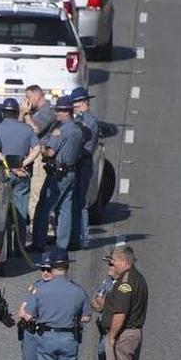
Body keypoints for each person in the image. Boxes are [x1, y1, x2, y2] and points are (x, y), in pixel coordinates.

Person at [97, 245, 149, 360]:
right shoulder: (138, 278)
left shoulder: (125, 283)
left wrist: (111, 336)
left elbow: (120, 313)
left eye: (113, 261)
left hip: (124, 335)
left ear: (123, 261)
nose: (112, 264)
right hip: (132, 333)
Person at [30, 96, 84, 252]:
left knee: (43, 207)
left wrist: (40, 148)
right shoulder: (77, 130)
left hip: (57, 174)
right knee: (65, 209)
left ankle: (38, 243)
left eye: (59, 110)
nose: (56, 114)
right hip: (71, 172)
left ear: (66, 112)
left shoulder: (60, 131)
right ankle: (62, 245)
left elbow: (50, 152)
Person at [0, 98, 41, 251]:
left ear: (2, 113)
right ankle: (19, 248)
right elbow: (37, 148)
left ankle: (6, 247)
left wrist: (9, 166)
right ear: (17, 112)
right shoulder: (26, 129)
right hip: (22, 175)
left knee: (3, 211)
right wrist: (23, 164)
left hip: (4, 175)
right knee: (20, 211)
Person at [11, 259, 55, 360]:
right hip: (30, 334)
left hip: (48, 334)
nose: (45, 272)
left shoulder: (59, 288)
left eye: (48, 269)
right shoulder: (35, 286)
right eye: (42, 268)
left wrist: (33, 314)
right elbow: (22, 312)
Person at [20, 85, 56, 221]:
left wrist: (27, 115)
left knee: (37, 193)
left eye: (28, 97)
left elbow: (35, 130)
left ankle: (37, 229)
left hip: (41, 156)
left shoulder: (47, 111)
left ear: (37, 95)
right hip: (33, 155)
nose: (27, 100)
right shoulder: (36, 112)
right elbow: (20, 126)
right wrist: (22, 112)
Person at [69, 88, 98, 249]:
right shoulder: (81, 118)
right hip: (81, 162)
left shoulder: (87, 120)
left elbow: (81, 140)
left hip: (83, 162)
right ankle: (77, 235)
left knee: (80, 202)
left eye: (76, 103)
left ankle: (82, 237)